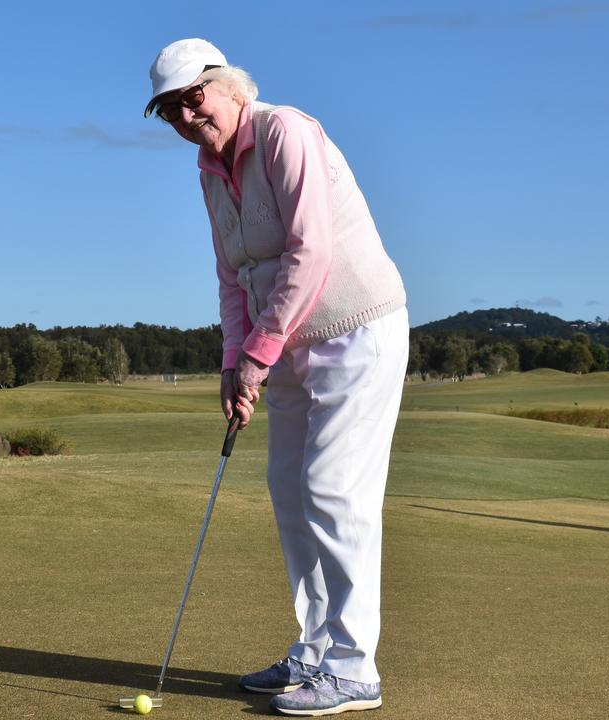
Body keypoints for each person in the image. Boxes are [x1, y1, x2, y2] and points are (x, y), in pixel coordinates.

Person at [143, 39, 409, 717]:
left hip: (356, 329)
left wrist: (256, 356)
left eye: (193, 97)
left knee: (332, 489)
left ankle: (354, 669)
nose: (185, 115)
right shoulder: (208, 171)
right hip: (284, 345)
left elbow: (309, 252)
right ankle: (315, 650)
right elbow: (232, 277)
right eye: (169, 108)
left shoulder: (285, 130)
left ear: (229, 85)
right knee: (289, 493)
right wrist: (234, 362)